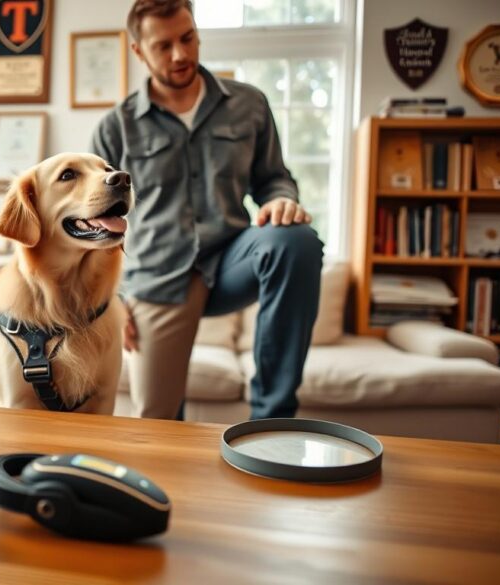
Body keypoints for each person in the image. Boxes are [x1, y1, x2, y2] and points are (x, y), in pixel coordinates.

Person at [90, 0, 323, 421]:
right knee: (156, 424)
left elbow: (273, 178)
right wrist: (112, 300)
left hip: (232, 259)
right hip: (158, 277)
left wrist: (279, 199)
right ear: (139, 51)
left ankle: (272, 422)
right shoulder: (115, 127)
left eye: (188, 38)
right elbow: (98, 226)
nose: (180, 54)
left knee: (296, 241)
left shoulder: (250, 105)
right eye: (163, 46)